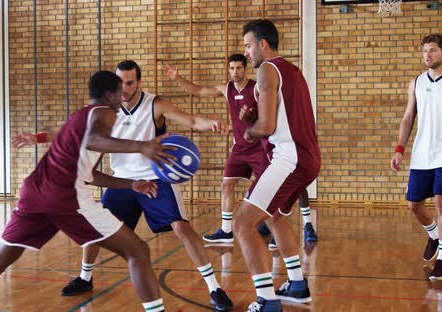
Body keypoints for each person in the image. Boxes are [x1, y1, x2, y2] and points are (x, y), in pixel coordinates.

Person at [0, 70, 174, 312]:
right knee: (138, 251)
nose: (122, 98)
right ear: (109, 95)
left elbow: (88, 173)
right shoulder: (104, 113)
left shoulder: (78, 118)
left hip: (33, 194)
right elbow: (93, 141)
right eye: (120, 92)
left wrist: (131, 184)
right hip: (64, 196)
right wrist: (142, 146)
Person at [58, 60, 234, 311]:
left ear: (139, 82)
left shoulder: (155, 104)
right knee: (94, 229)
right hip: (123, 181)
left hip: (156, 179)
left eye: (130, 82)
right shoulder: (105, 110)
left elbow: (192, 121)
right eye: (121, 83)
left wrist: (213, 123)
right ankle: (85, 278)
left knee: (182, 229)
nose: (126, 88)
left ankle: (214, 287)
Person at [163, 55, 318, 247]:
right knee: (226, 185)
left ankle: (274, 230)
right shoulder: (226, 88)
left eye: (239, 68)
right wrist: (177, 78)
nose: (235, 72)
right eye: (232, 68)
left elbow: (271, 115)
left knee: (271, 192)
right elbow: (198, 90)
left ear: (245, 69)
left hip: (260, 147)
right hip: (239, 147)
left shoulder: (256, 88)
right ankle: (226, 231)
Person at [237, 19, 320, 312]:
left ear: (262, 44)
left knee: (243, 224)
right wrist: (254, 121)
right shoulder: (292, 70)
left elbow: (269, 125)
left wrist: (250, 130)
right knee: (273, 217)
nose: (246, 52)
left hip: (290, 157)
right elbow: (280, 119)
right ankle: (297, 285)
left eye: (248, 45)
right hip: (307, 157)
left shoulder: (266, 70)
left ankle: (268, 301)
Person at [390, 33, 442, 280]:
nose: (427, 55)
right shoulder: (417, 82)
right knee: (414, 205)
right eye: (424, 51)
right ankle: (434, 236)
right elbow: (409, 117)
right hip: (422, 154)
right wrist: (400, 149)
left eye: (432, 50)